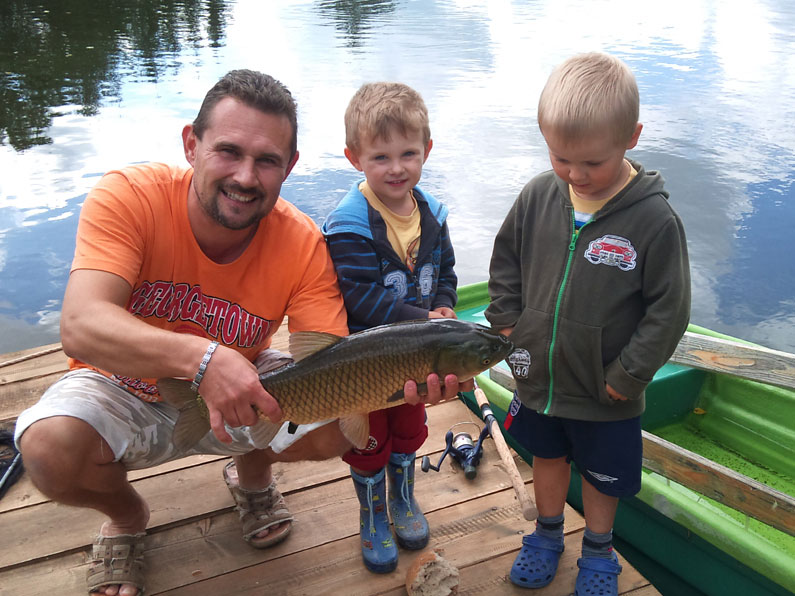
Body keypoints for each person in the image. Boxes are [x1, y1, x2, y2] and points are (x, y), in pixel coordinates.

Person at [13, 70, 468, 596]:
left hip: (242, 389)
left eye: (267, 160)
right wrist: (202, 360)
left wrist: (401, 377)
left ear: (289, 167)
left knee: (332, 428)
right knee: (47, 448)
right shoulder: (130, 196)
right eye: (228, 151)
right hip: (117, 384)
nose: (246, 177)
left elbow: (334, 359)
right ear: (192, 144)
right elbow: (79, 324)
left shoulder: (302, 242)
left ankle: (251, 479)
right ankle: (126, 518)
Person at [485, 52, 690, 595]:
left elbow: (669, 309)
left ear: (632, 138)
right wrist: (506, 322)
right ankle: (547, 534)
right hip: (539, 378)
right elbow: (506, 262)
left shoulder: (654, 220)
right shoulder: (538, 195)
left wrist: (630, 374)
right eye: (560, 158)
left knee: (603, 475)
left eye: (592, 163)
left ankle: (599, 549)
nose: (575, 175)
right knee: (547, 456)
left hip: (606, 390)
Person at [322, 82, 458, 574]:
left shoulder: (433, 215)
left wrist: (443, 307)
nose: (396, 168)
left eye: (408, 154)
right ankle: (373, 514)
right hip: (362, 361)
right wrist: (425, 323)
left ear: (427, 150)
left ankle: (402, 499)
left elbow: (446, 273)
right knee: (368, 439)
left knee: (409, 428)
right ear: (354, 157)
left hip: (416, 359)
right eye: (380, 157)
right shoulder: (349, 224)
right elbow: (360, 297)